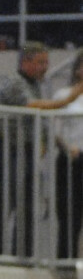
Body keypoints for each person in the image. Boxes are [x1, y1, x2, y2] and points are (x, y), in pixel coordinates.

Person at [0, 42, 78, 257]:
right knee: (8, 204)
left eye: (47, 62)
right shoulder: (13, 82)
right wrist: (68, 99)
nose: (45, 67)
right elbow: (31, 106)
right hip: (11, 151)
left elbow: (42, 123)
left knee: (28, 206)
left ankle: (23, 255)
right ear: (26, 62)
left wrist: (61, 145)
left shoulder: (34, 84)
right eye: (41, 62)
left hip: (27, 151)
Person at [52, 50, 83, 259]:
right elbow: (56, 130)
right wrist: (67, 147)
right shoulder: (64, 95)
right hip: (72, 159)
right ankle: (66, 264)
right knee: (70, 216)